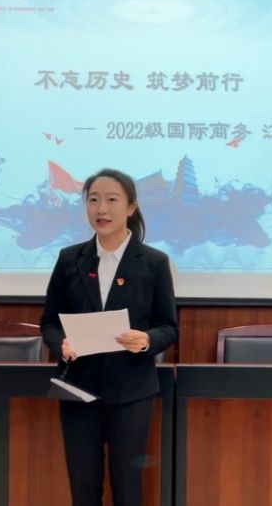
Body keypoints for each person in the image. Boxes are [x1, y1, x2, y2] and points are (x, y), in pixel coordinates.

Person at [40, 168, 178, 506]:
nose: (101, 209)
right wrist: (62, 344)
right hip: (79, 389)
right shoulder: (70, 259)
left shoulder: (154, 262)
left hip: (131, 391)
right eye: (93, 200)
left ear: (131, 207)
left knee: (127, 488)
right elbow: (49, 322)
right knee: (83, 486)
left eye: (112, 200)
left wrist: (146, 340)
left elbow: (168, 327)